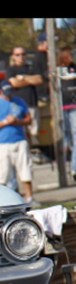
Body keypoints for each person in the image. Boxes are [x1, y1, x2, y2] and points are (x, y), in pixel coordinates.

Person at [0, 81, 37, 205]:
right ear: (0, 92)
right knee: (1, 173)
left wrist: (17, 122)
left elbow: (28, 119)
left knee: (25, 169)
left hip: (19, 140)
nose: (8, 95)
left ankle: (29, 197)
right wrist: (5, 122)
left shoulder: (19, 102)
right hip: (3, 142)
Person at [7, 45, 44, 142]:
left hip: (31, 104)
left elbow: (39, 80)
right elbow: (14, 83)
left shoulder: (31, 67)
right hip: (17, 106)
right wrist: (30, 80)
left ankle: (33, 152)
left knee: (34, 133)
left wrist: (23, 78)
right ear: (13, 56)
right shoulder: (11, 70)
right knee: (22, 133)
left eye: (23, 54)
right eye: (17, 55)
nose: (20, 57)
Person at [58, 46, 76, 182]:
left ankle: (74, 167)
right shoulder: (57, 69)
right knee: (65, 138)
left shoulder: (74, 67)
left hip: (74, 106)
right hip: (61, 107)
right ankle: (68, 164)